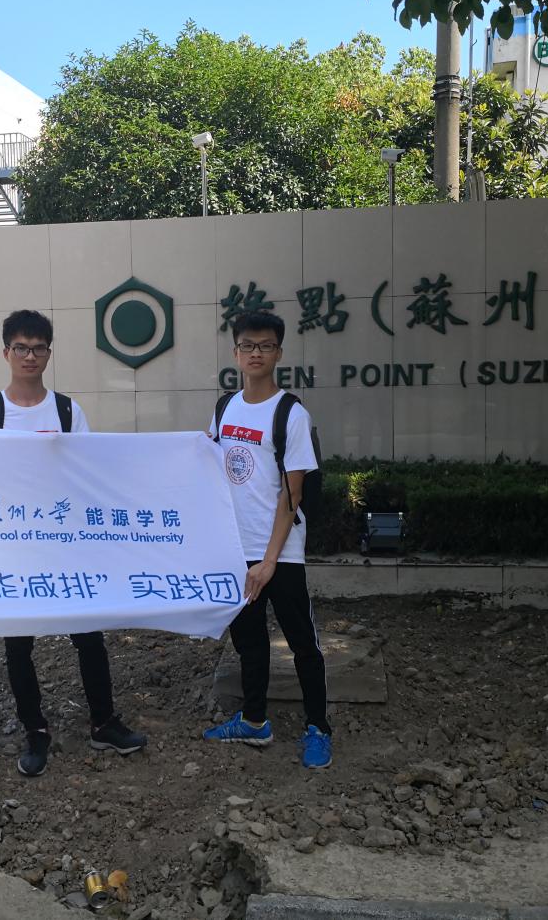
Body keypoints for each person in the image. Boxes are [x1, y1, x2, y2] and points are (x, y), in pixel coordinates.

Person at [0, 309, 147, 776]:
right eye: (21, 348)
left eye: (38, 348)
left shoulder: (67, 411)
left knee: (89, 635)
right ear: (5, 352)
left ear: (49, 353)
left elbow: (87, 474)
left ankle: (104, 722)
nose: (30, 356)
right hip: (13, 549)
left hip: (66, 546)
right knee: (18, 645)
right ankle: (35, 731)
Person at [203, 311, 332, 769]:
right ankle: (254, 719)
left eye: (265, 345)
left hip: (281, 551)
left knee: (302, 643)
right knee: (249, 642)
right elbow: (210, 468)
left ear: (279, 353)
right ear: (235, 352)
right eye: (247, 345)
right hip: (237, 549)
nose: (255, 353)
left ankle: (318, 727)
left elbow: (291, 496)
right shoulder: (224, 408)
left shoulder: (291, 413)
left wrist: (270, 561)